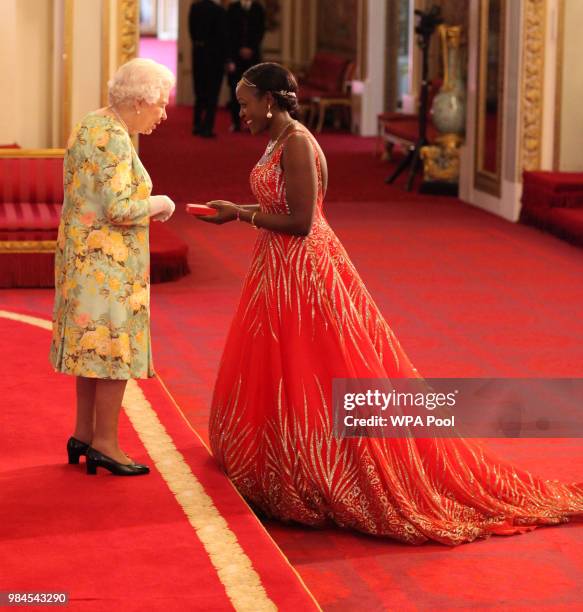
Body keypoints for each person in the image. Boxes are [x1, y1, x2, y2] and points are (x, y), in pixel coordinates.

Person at [199, 62, 583, 545]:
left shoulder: (296, 142)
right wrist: (239, 212)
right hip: (282, 267)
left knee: (315, 367)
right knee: (290, 369)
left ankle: (315, 467)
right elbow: (295, 210)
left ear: (269, 100)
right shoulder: (282, 140)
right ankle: (284, 455)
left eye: (245, 102)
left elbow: (300, 221)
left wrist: (243, 216)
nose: (241, 111)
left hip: (301, 269)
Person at [49, 58, 176, 476]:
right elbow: (120, 208)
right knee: (112, 352)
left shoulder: (93, 123)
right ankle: (105, 442)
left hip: (84, 259)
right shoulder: (115, 139)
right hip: (108, 270)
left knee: (92, 351)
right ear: (140, 101)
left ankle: (84, 434)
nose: (162, 114)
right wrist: (160, 204)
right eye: (160, 105)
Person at [189, 0, 227, 138]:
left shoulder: (195, 8)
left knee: (199, 92)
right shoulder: (220, 11)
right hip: (215, 58)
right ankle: (207, 127)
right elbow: (223, 37)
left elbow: (192, 32)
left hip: (198, 55)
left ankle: (196, 124)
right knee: (213, 94)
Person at [226, 0, 265, 131]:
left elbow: (260, 31)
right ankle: (236, 123)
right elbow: (229, 33)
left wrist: (251, 49)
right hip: (236, 57)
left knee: (253, 92)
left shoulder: (258, 9)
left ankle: (251, 123)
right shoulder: (232, 8)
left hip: (253, 58)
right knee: (234, 90)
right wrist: (237, 51)